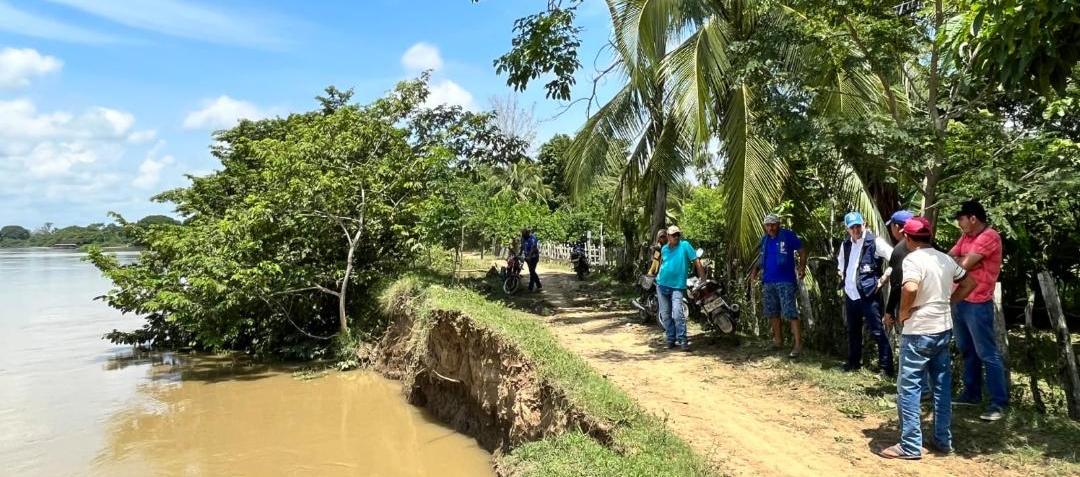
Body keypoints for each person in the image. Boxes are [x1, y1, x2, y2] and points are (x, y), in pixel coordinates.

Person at [879, 217, 976, 460]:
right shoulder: (944, 259)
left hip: (919, 329)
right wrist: (948, 302)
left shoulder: (913, 259)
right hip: (942, 328)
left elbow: (910, 288)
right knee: (941, 387)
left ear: (909, 239)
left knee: (909, 387)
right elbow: (969, 283)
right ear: (929, 236)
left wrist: (902, 312)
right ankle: (943, 440)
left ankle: (910, 446)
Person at [949, 200, 1008, 421]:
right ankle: (971, 393)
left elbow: (962, 265)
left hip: (978, 302)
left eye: (961, 220)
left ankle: (998, 403)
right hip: (961, 299)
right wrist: (959, 260)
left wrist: (959, 261)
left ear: (972, 218)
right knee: (967, 350)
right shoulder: (967, 237)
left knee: (987, 353)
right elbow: (950, 258)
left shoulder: (989, 236)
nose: (959, 224)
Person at [837, 211, 895, 376]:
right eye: (852, 227)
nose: (855, 230)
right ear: (847, 229)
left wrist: (884, 277)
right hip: (851, 293)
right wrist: (841, 272)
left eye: (858, 226)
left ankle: (886, 368)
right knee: (853, 330)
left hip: (869, 293)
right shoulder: (846, 244)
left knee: (877, 331)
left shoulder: (874, 242)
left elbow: (896, 258)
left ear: (864, 224)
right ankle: (854, 362)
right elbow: (841, 262)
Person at [750, 214, 806, 358]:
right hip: (768, 281)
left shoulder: (787, 235)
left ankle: (798, 345)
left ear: (778, 224)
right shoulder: (765, 240)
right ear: (765, 227)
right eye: (768, 225)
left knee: (790, 312)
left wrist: (802, 267)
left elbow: (801, 250)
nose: (771, 228)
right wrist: (755, 272)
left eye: (773, 224)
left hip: (785, 280)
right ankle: (778, 342)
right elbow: (761, 258)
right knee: (772, 312)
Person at [655, 225, 705, 351]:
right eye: (673, 235)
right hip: (662, 285)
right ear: (668, 236)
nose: (676, 237)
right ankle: (671, 339)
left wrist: (702, 277)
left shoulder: (685, 246)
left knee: (677, 313)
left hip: (677, 286)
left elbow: (696, 261)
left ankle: (682, 340)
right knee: (665, 315)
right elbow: (661, 264)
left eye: (678, 234)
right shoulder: (664, 249)